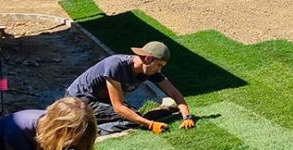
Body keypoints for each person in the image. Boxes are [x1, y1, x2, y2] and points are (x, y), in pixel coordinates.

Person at [66, 41, 196, 136]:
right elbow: (118, 107)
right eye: (158, 65)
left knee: (134, 116)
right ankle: (86, 131)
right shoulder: (115, 66)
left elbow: (173, 92)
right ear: (148, 58)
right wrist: (150, 125)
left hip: (100, 100)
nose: (159, 70)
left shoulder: (149, 70)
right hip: (77, 103)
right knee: (132, 120)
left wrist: (187, 116)